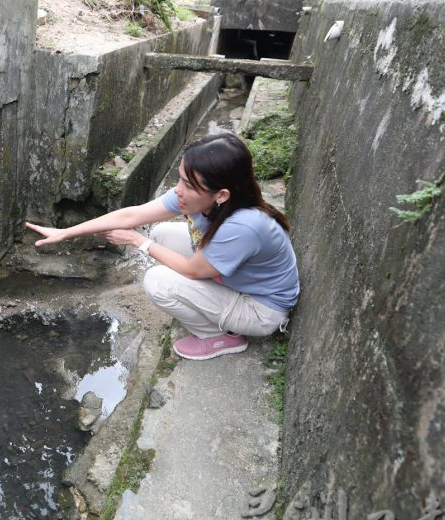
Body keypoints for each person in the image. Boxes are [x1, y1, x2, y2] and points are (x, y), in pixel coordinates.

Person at [26, 132, 299, 360]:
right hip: (239, 281)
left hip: (260, 310)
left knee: (158, 281)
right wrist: (65, 233)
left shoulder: (243, 226)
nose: (178, 189)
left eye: (189, 184)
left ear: (221, 195)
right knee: (163, 233)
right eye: (180, 177)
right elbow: (130, 216)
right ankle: (209, 306)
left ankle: (218, 337)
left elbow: (192, 271)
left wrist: (138, 241)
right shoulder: (202, 199)